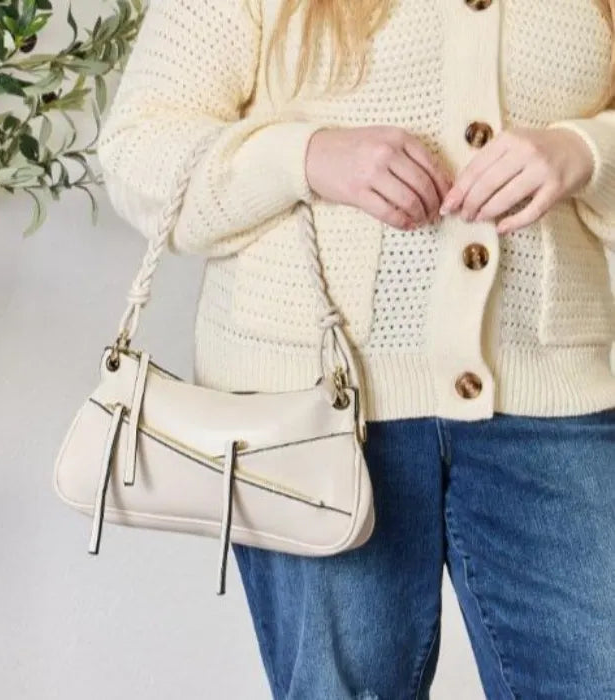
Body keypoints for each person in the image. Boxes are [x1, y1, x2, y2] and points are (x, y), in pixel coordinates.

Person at [96, 0, 615, 697]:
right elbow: (139, 150)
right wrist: (307, 155)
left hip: (555, 403)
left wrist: (586, 152)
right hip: (312, 418)